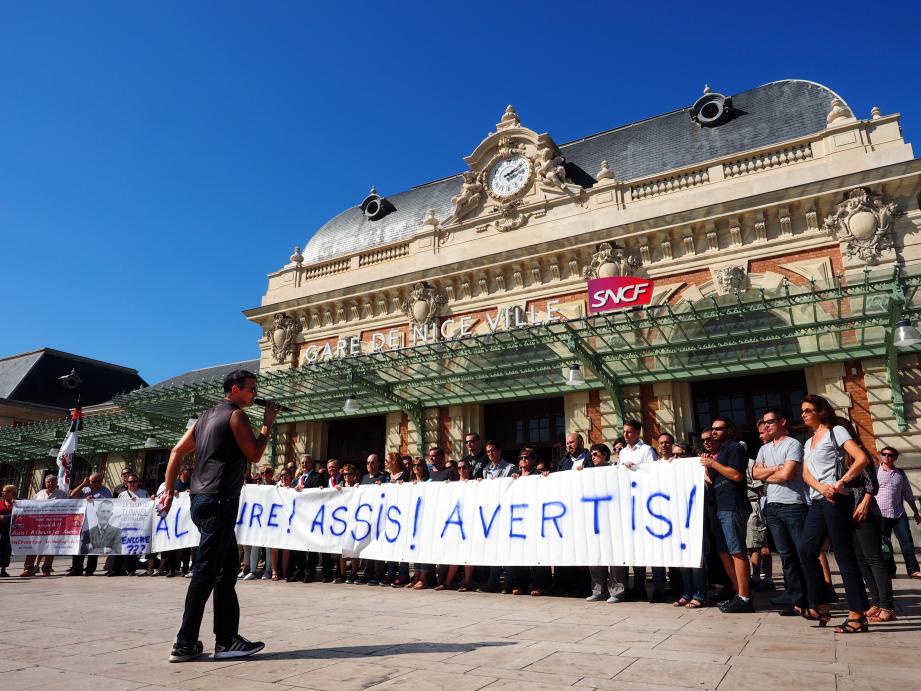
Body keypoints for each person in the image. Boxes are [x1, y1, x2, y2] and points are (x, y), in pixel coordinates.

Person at [158, 368, 278, 662]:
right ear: (234, 389)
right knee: (207, 571)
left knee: (225, 572)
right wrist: (267, 426)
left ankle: (227, 640)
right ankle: (185, 642)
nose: (254, 393)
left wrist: (171, 491)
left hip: (200, 499)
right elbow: (254, 454)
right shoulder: (236, 416)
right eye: (251, 388)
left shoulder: (205, 417)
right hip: (220, 499)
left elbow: (176, 452)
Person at [797, 394, 870, 633]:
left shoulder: (835, 431)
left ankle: (857, 614)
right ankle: (820, 603)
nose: (804, 414)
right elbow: (806, 474)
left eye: (808, 410)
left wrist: (840, 483)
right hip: (819, 500)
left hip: (838, 500)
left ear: (820, 411)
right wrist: (820, 487)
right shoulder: (809, 442)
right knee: (807, 549)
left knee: (844, 555)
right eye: (803, 411)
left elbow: (861, 459)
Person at [751, 409, 808, 616]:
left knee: (801, 554)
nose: (766, 426)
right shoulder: (764, 448)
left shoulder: (793, 444)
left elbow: (787, 475)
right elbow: (755, 473)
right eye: (764, 423)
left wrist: (769, 474)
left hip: (793, 504)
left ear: (782, 421)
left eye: (771, 422)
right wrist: (775, 469)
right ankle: (793, 594)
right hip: (772, 506)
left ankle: (807, 598)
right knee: (786, 555)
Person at [700, 417, 753, 614]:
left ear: (730, 429)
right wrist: (707, 467)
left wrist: (712, 464)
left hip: (733, 505)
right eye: (712, 429)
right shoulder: (720, 452)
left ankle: (745, 597)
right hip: (720, 506)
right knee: (724, 552)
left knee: (736, 550)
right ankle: (737, 592)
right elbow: (714, 480)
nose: (713, 433)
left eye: (718, 429)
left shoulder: (735, 448)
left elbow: (736, 475)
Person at [876, 446, 921, 579]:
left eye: (890, 455)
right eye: (884, 454)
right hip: (881, 514)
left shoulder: (900, 473)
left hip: (898, 514)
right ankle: (890, 572)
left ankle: (913, 570)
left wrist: (916, 513)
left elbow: (908, 494)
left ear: (895, 458)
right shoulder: (875, 472)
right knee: (885, 545)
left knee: (907, 542)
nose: (886, 457)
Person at [67, 472, 113, 577]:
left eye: (99, 481)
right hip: (83, 523)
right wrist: (83, 484)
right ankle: (76, 569)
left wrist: (95, 501)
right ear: (89, 481)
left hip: (97, 524)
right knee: (80, 547)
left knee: (94, 547)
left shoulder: (105, 491)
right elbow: (72, 496)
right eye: (94, 481)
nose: (96, 483)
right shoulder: (84, 490)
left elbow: (109, 505)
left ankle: (90, 570)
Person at [21, 474, 66, 577]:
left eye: (52, 482)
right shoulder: (39, 494)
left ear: (56, 483)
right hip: (39, 525)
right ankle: (28, 569)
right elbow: (31, 506)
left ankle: (46, 569)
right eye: (48, 482)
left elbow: (68, 508)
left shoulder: (62, 495)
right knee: (33, 546)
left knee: (50, 546)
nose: (50, 483)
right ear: (45, 483)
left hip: (54, 525)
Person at [0, 484, 14, 577]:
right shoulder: (0, 503)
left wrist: (7, 517)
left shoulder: (16, 504)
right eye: (3, 491)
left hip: (10, 531)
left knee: (6, 550)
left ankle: (3, 569)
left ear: (11, 492)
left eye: (6, 491)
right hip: (0, 529)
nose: (3, 493)